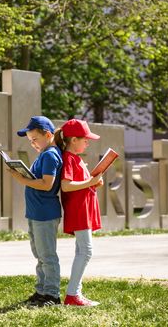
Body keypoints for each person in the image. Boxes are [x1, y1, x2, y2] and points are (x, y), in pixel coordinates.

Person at [7, 116, 63, 307]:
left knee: (47, 256)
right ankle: (41, 292)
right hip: (36, 213)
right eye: (30, 141)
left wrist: (21, 179)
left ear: (48, 135)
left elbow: (47, 184)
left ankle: (53, 296)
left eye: (35, 139)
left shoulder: (50, 154)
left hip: (45, 214)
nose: (32, 144)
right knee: (40, 256)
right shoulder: (43, 153)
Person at [54, 119, 103, 307]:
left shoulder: (76, 158)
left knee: (81, 251)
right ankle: (73, 295)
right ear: (73, 139)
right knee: (86, 251)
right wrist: (90, 182)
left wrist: (93, 183)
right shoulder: (68, 158)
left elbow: (79, 185)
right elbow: (66, 186)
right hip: (79, 211)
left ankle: (76, 294)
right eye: (85, 139)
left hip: (84, 209)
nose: (88, 142)